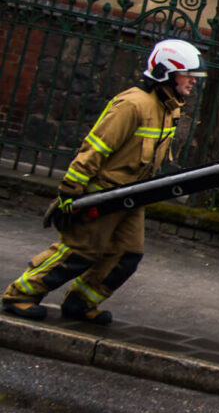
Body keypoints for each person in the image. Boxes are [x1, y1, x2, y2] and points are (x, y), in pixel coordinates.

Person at [2, 38, 204, 323]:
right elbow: (96, 147)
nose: (192, 82)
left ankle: (79, 303)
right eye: (188, 75)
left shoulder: (168, 108)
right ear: (166, 72)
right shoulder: (132, 104)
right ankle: (20, 294)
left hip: (132, 196)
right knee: (80, 251)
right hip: (104, 193)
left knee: (126, 255)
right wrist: (70, 190)